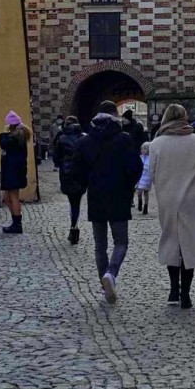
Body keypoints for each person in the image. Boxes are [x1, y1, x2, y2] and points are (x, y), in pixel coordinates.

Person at [149, 104, 195, 309]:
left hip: (167, 199)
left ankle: (173, 290)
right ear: (184, 117)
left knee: (172, 243)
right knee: (189, 246)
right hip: (192, 199)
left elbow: (151, 171)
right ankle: (186, 295)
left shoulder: (156, 143)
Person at [70, 101, 143, 303]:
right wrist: (128, 186)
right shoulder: (124, 139)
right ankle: (111, 274)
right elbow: (135, 167)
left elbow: (75, 170)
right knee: (121, 242)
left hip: (96, 197)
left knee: (99, 246)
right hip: (119, 195)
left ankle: (104, 285)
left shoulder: (85, 142)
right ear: (114, 114)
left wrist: (86, 184)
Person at [52, 115, 87, 243]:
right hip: (81, 173)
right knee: (77, 201)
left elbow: (56, 158)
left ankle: (74, 228)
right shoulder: (84, 138)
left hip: (67, 173)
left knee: (72, 201)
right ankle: (74, 227)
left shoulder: (62, 138)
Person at [0, 111, 31, 235]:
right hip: (13, 170)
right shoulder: (19, 136)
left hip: (13, 171)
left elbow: (3, 144)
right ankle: (15, 221)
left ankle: (17, 224)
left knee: (13, 197)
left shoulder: (14, 138)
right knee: (6, 198)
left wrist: (5, 134)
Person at [137, 141, 152, 214]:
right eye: (142, 149)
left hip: (147, 177)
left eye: (145, 149)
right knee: (139, 192)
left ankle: (145, 206)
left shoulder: (151, 158)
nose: (143, 150)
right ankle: (140, 201)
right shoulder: (140, 157)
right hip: (140, 176)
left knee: (146, 192)